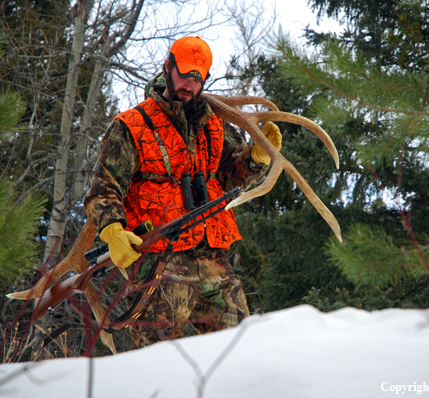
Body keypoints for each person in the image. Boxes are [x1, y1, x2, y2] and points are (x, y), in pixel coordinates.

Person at [84, 36, 282, 348]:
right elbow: (103, 188)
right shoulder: (131, 125)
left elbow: (233, 177)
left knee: (242, 353)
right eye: (184, 74)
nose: (190, 84)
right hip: (160, 265)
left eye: (197, 77)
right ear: (168, 67)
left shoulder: (216, 124)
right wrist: (112, 229)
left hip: (214, 261)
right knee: (158, 365)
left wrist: (256, 156)